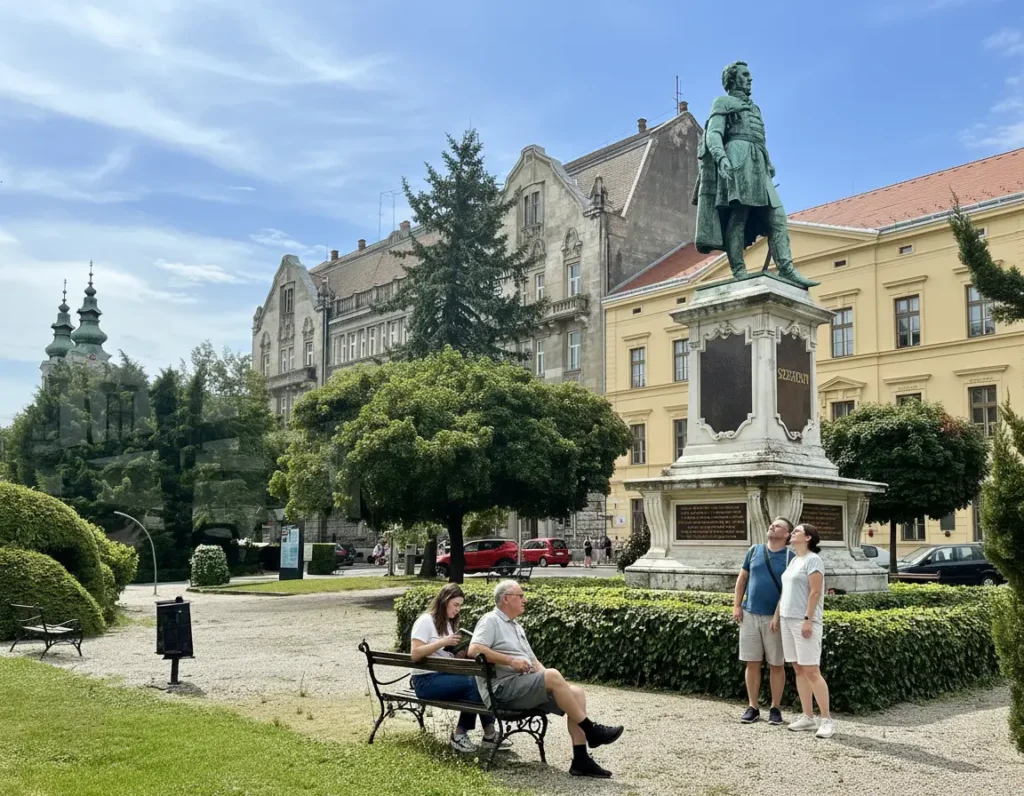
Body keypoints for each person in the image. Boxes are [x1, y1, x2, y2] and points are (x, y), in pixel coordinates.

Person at [468, 580, 624, 778]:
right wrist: (511, 661)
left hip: (522, 686)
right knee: (552, 675)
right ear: (506, 599)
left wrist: (559, 685)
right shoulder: (491, 620)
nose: (525, 599)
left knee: (575, 692)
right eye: (521, 595)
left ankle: (581, 760)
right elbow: (474, 650)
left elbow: (534, 661)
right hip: (502, 690)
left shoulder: (516, 626)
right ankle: (591, 730)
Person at [692, 61, 815, 289]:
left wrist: (768, 161)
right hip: (737, 158)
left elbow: (759, 137)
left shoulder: (756, 108)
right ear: (732, 79)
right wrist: (721, 158)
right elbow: (714, 134)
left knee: (777, 216)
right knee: (739, 215)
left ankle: (787, 268)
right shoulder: (723, 102)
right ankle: (739, 270)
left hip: (758, 163)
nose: (750, 79)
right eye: (745, 75)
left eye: (750, 75)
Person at [410, 584, 512, 753]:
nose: (458, 609)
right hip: (426, 681)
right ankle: (463, 734)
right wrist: (443, 642)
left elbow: (444, 655)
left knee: (481, 681)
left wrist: (459, 653)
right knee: (475, 685)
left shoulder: (448, 625)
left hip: (444, 676)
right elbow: (415, 654)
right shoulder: (425, 621)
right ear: (444, 601)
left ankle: (488, 733)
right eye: (455, 605)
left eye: (460, 606)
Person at [772, 523, 834, 739]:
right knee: (798, 669)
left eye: (796, 531)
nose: (792, 534)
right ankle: (808, 716)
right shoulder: (793, 561)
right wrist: (777, 615)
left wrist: (808, 619)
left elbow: (815, 591)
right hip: (787, 619)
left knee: (812, 670)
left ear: (808, 537)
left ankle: (826, 719)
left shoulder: (813, 559)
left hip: (804, 620)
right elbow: (786, 591)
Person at [733, 517, 793, 726]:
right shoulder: (754, 550)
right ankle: (753, 706)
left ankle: (775, 707)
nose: (772, 526)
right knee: (752, 662)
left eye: (778, 526)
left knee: (776, 663)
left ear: (787, 534)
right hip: (750, 614)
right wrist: (737, 605)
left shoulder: (790, 558)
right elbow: (742, 579)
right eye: (772, 524)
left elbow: (789, 591)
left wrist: (777, 615)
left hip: (774, 618)